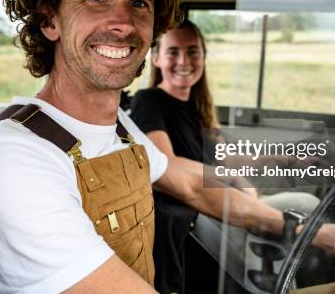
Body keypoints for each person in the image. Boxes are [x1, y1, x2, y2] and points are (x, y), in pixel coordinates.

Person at [0, 0, 335, 294]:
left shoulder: (120, 129)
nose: (123, 22)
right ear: (49, 21)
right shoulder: (11, 157)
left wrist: (316, 233)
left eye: (139, 2)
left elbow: (187, 182)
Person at [131, 20, 320, 293]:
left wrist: (280, 158)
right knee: (294, 216)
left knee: (307, 203)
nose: (183, 60)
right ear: (157, 58)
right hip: (199, 212)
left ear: (204, 58)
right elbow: (166, 161)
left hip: (222, 198)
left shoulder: (198, 106)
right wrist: (230, 177)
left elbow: (224, 156)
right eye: (173, 51)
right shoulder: (149, 100)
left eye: (193, 51)